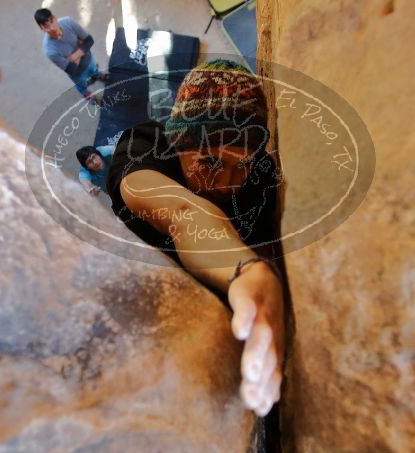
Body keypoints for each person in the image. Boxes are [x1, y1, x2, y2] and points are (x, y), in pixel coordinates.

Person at [106, 60, 285, 416]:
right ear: (178, 143)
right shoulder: (144, 146)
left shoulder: (259, 179)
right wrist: (246, 270)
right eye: (210, 162)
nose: (226, 183)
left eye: (241, 166)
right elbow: (182, 214)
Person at [35, 8, 109, 105]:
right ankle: (87, 95)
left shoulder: (68, 22)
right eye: (46, 26)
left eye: (51, 22)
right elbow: (72, 70)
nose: (52, 28)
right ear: (42, 29)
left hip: (89, 59)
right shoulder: (50, 50)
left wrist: (73, 57)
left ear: (55, 17)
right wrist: (81, 46)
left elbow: (90, 40)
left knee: (94, 69)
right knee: (82, 85)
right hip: (78, 74)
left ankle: (97, 75)